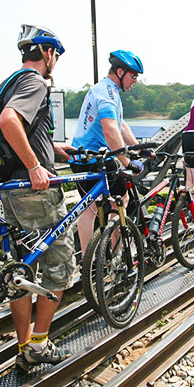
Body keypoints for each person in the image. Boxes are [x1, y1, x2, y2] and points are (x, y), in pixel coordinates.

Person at [0, 24, 75, 372]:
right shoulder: (35, 82)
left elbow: (21, 128)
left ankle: (24, 345)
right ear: (47, 53)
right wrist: (34, 166)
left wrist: (53, 149)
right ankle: (40, 346)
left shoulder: (9, 82)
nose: (54, 60)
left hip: (10, 191)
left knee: (20, 270)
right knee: (59, 266)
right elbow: (9, 120)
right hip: (34, 193)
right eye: (54, 54)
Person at [71, 50, 144, 255]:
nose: (135, 81)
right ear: (120, 72)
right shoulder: (108, 93)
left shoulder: (103, 89)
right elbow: (110, 129)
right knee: (121, 199)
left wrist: (138, 147)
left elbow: (120, 126)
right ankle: (116, 253)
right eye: (133, 75)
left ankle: (89, 262)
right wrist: (127, 162)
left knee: (90, 208)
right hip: (98, 158)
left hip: (81, 156)